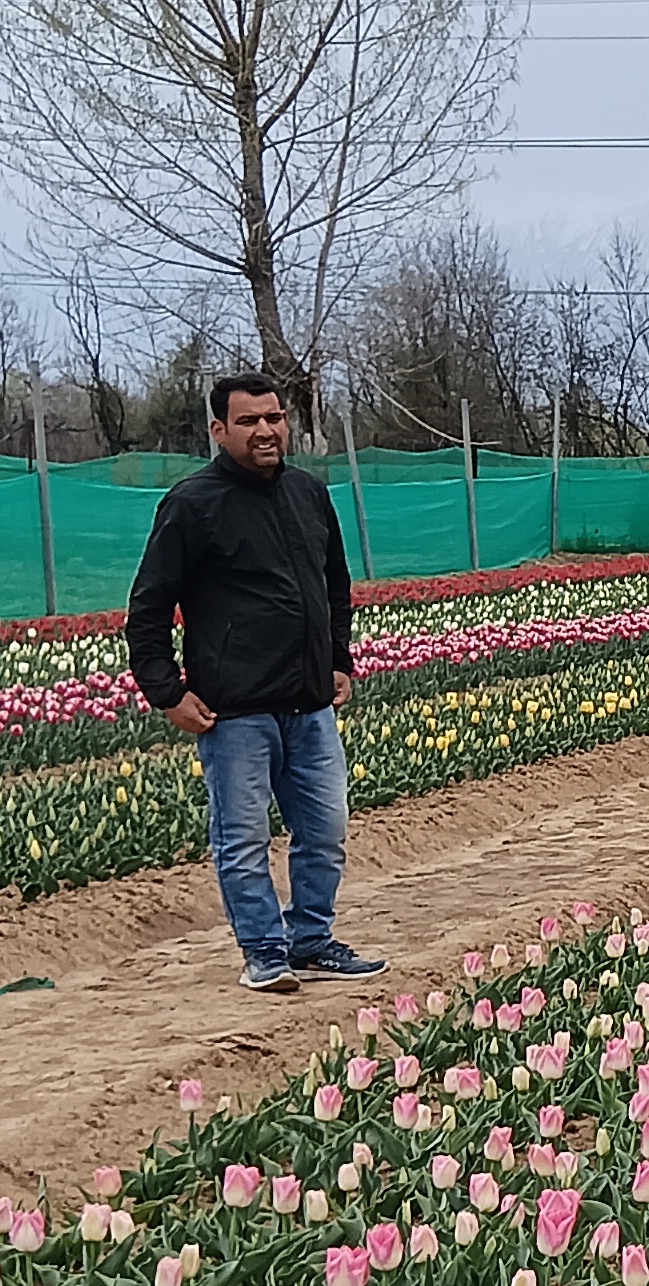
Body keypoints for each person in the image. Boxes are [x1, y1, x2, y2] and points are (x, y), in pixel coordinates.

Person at [126, 375, 386, 994]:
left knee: (324, 831)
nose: (265, 430)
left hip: (309, 703)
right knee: (243, 838)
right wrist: (165, 691)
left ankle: (311, 939)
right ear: (218, 431)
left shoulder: (308, 493)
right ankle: (264, 951)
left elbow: (334, 587)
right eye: (248, 422)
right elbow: (149, 606)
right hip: (233, 710)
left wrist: (339, 661)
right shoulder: (193, 504)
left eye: (273, 417)